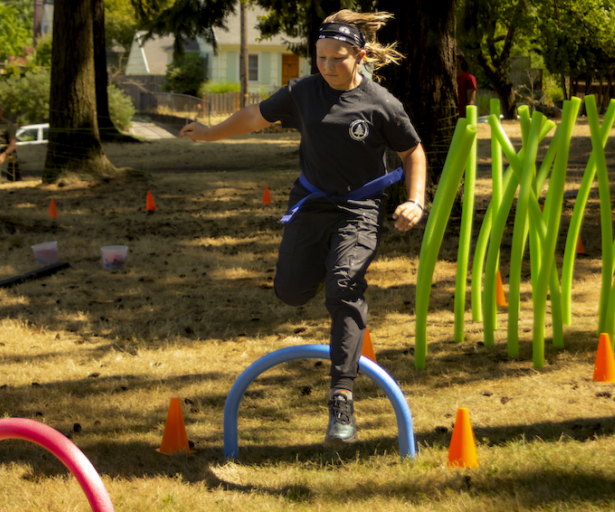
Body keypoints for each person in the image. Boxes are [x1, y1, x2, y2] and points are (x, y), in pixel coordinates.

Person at [179, 9, 426, 446]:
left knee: (345, 287)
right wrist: (208, 133)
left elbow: (413, 152)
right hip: (310, 205)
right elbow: (255, 116)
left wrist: (414, 199)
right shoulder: (303, 92)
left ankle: (342, 398)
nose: (328, 66)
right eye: (321, 57)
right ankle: (322, 278)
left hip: (359, 209)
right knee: (290, 293)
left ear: (360, 56)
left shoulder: (381, 104)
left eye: (338, 58)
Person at [456, 54, 477, 118]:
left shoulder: (469, 78)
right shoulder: (447, 78)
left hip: (461, 122)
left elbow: (471, 103)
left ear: (461, 60)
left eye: (454, 57)